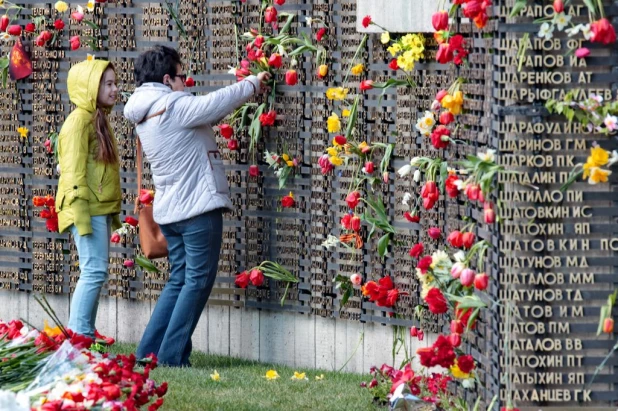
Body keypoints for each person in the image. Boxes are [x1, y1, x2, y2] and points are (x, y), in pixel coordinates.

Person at [124, 45, 271, 366]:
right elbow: (215, 105)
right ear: (167, 79)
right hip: (197, 209)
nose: (186, 83)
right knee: (197, 281)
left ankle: (147, 353)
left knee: (179, 279)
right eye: (182, 76)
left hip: (171, 211)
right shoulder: (172, 106)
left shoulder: (144, 111)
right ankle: (171, 358)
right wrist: (253, 83)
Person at [56, 60, 121, 338]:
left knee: (97, 271)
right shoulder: (79, 122)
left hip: (97, 209)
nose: (115, 89)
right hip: (86, 209)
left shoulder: (96, 118)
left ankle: (86, 332)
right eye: (108, 83)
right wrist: (80, 214)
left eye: (115, 83)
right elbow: (72, 171)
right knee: (93, 271)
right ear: (89, 87)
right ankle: (79, 334)